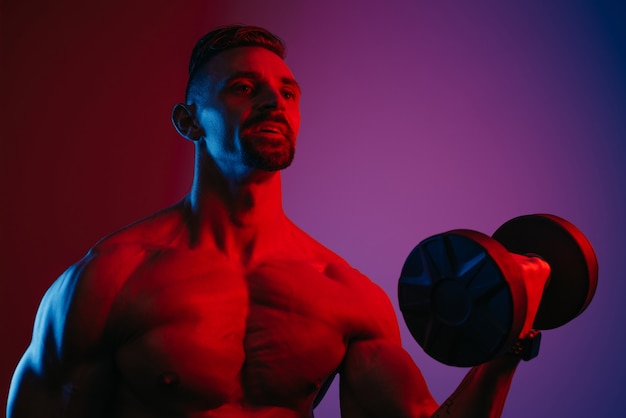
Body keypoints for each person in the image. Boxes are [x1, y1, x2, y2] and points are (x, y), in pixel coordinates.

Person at [7, 25, 550, 417]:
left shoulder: (347, 296)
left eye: (288, 92)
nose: (275, 102)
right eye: (244, 88)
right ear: (189, 120)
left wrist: (510, 338)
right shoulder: (110, 279)